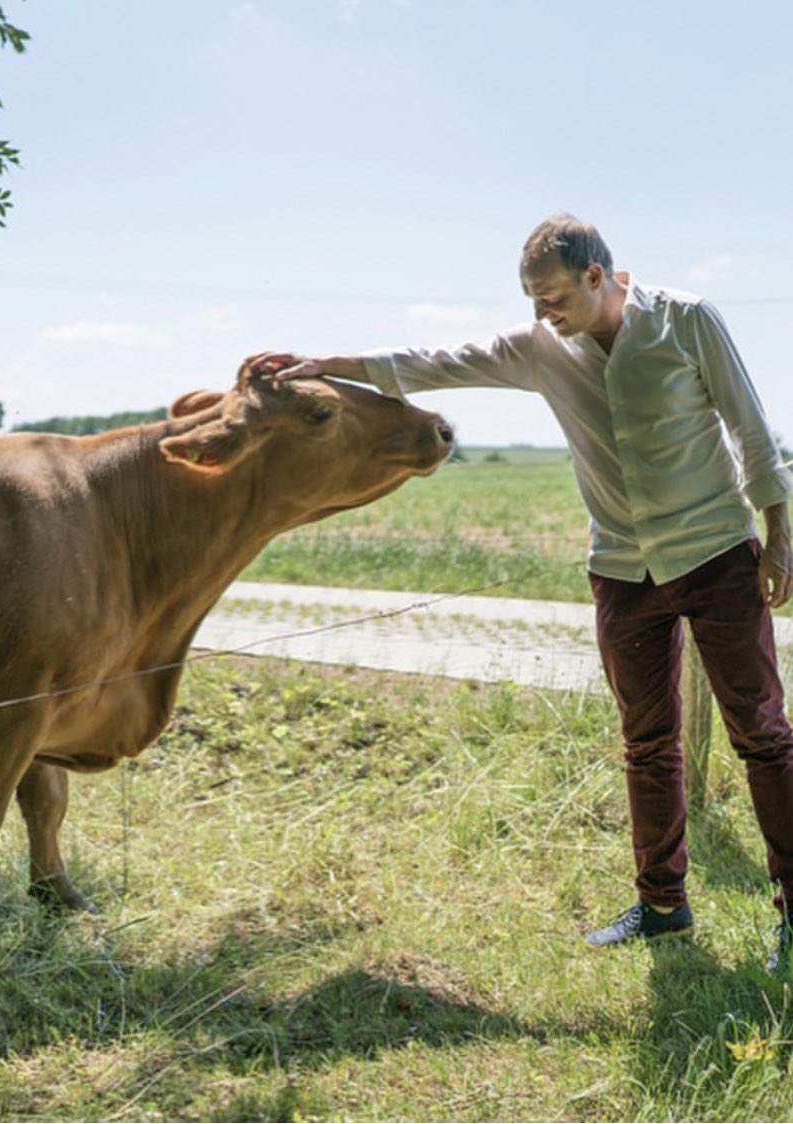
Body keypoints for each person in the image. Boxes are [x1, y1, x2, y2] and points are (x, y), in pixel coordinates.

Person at [249, 212, 793, 969]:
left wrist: (780, 535)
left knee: (762, 737)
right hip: (623, 569)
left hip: (714, 554)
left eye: (553, 299)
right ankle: (663, 904)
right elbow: (430, 361)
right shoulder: (541, 348)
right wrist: (319, 362)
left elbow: (751, 428)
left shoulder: (686, 321)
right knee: (647, 743)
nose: (544, 315)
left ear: (597, 276)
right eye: (535, 302)